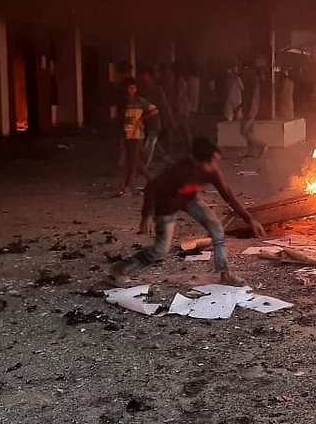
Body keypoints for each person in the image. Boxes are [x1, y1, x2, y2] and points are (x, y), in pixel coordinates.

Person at [111, 136, 266, 285]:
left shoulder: (211, 170)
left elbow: (227, 193)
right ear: (197, 161)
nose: (215, 166)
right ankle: (120, 269)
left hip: (189, 199)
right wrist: (146, 216)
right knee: (160, 251)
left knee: (216, 228)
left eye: (216, 161)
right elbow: (151, 188)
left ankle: (225, 275)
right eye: (211, 162)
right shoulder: (179, 170)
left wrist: (249, 219)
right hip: (166, 205)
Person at [119, 78, 157, 194]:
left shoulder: (140, 101)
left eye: (133, 88)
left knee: (133, 160)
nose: (131, 90)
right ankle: (153, 181)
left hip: (137, 134)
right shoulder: (124, 101)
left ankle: (128, 187)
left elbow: (154, 110)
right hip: (127, 133)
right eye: (129, 88)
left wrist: (142, 119)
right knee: (135, 160)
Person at [238, 63, 266, 155]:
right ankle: (251, 152)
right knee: (250, 131)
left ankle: (262, 145)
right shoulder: (254, 80)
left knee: (244, 131)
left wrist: (251, 110)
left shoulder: (252, 80)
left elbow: (253, 97)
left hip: (250, 109)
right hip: (251, 109)